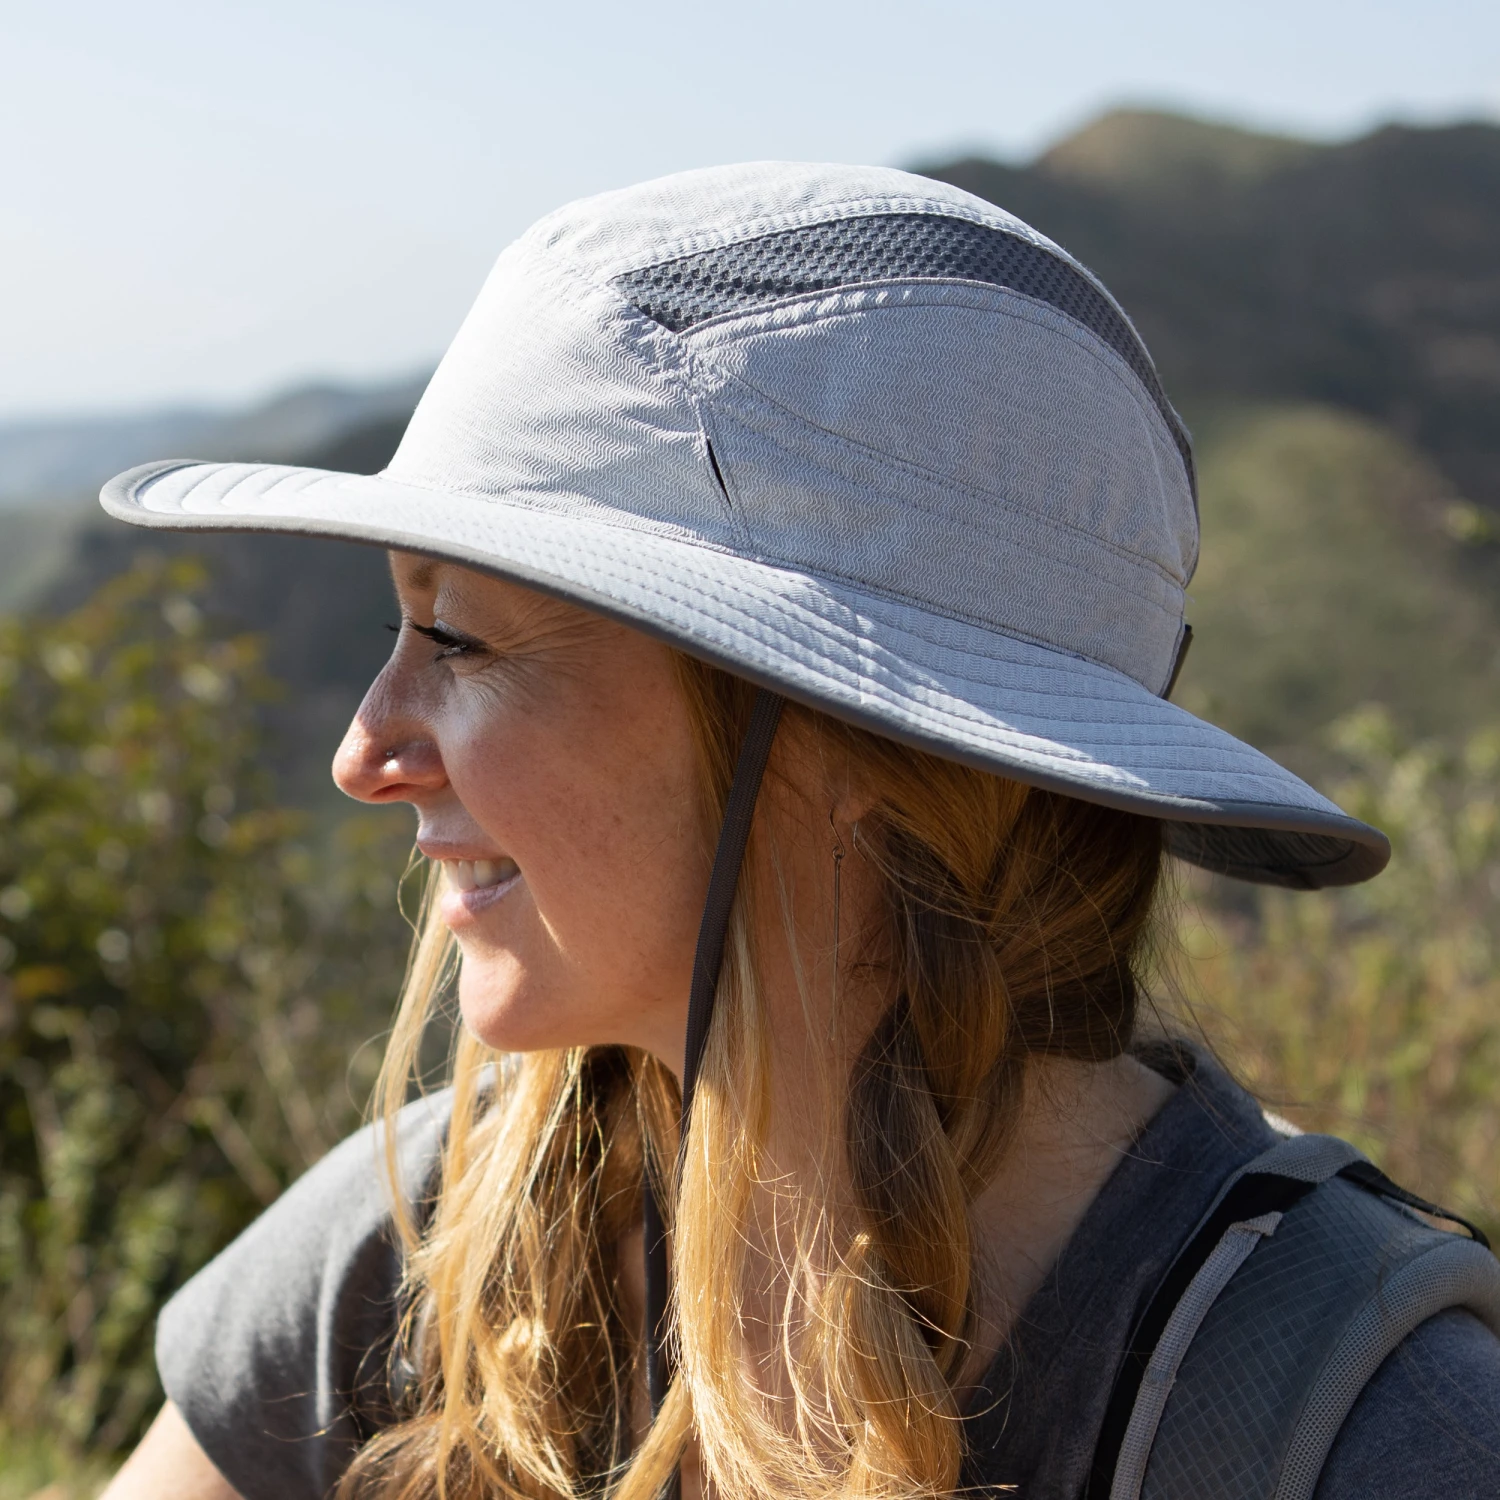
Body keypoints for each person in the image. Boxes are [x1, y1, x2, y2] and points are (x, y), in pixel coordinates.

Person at [97, 164, 1500, 1500]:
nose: (364, 755)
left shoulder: (1370, 1436)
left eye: (457, 637)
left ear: (853, 744)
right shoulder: (422, 1247)